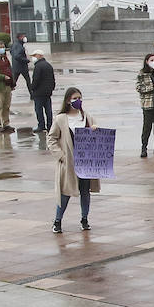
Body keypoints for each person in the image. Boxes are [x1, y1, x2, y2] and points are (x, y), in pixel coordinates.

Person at [47, 87, 102, 234]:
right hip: (69, 162)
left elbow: (97, 137)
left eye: (80, 98)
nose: (78, 101)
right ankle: (57, 220)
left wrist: (96, 130)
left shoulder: (87, 117)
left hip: (85, 161)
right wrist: (61, 156)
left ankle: (84, 219)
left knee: (85, 191)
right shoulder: (61, 119)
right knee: (65, 192)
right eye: (75, 98)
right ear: (68, 100)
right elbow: (51, 138)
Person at [29, 49, 55, 133]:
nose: (33, 58)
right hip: (48, 92)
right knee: (48, 110)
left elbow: (36, 79)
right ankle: (50, 126)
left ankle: (41, 126)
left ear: (39, 56)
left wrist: (32, 88)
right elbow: (52, 79)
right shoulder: (48, 65)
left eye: (34, 56)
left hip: (39, 92)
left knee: (39, 110)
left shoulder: (38, 66)